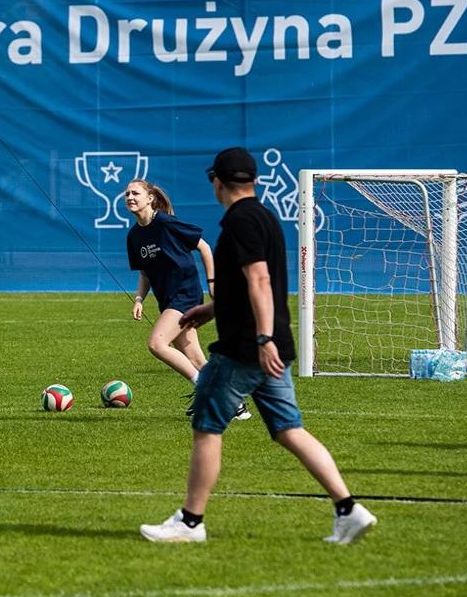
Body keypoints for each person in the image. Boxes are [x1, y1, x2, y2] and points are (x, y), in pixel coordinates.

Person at [140, 147, 376, 545]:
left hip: (247, 349)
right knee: (288, 429)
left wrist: (262, 338)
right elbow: (246, 285)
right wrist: (213, 309)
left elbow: (260, 281)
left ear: (217, 181)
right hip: (271, 347)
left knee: (207, 426)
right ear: (253, 180)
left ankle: (191, 523)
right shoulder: (264, 216)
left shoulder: (240, 221)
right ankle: (349, 509)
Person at [124, 179, 250, 421]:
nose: (130, 197)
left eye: (135, 193)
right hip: (168, 299)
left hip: (186, 295)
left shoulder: (166, 223)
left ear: (150, 198)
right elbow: (144, 272)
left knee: (157, 344)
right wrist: (139, 298)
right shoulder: (134, 236)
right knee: (194, 356)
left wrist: (212, 283)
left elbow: (203, 247)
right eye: (127, 194)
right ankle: (235, 403)